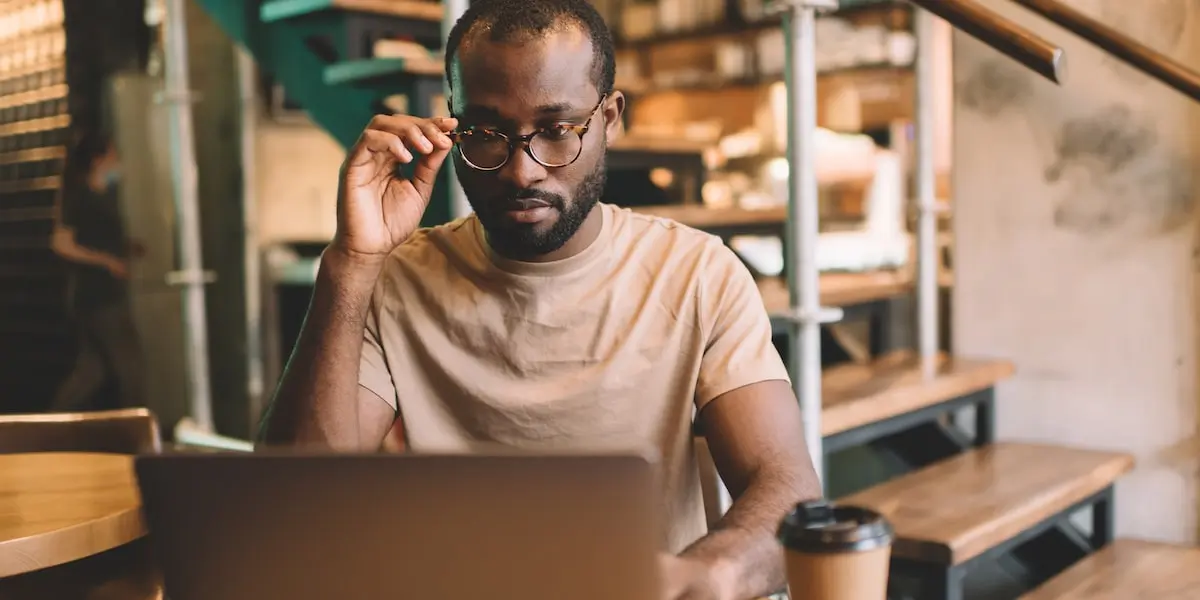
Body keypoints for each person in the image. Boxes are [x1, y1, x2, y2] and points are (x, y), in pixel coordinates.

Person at [258, 0, 822, 597]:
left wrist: (702, 576)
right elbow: (297, 504)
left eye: (556, 131)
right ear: (450, 125)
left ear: (610, 117)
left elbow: (787, 486)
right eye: (486, 133)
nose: (522, 172)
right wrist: (350, 264)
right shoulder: (395, 278)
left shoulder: (697, 274)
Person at [50, 129, 146, 412]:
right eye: (112, 153)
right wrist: (106, 261)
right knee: (131, 368)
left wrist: (128, 248)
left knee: (92, 371)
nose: (118, 159)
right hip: (98, 297)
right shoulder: (79, 197)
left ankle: (51, 422)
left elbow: (100, 236)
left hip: (104, 295)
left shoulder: (104, 195)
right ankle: (136, 434)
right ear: (97, 159)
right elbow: (62, 244)